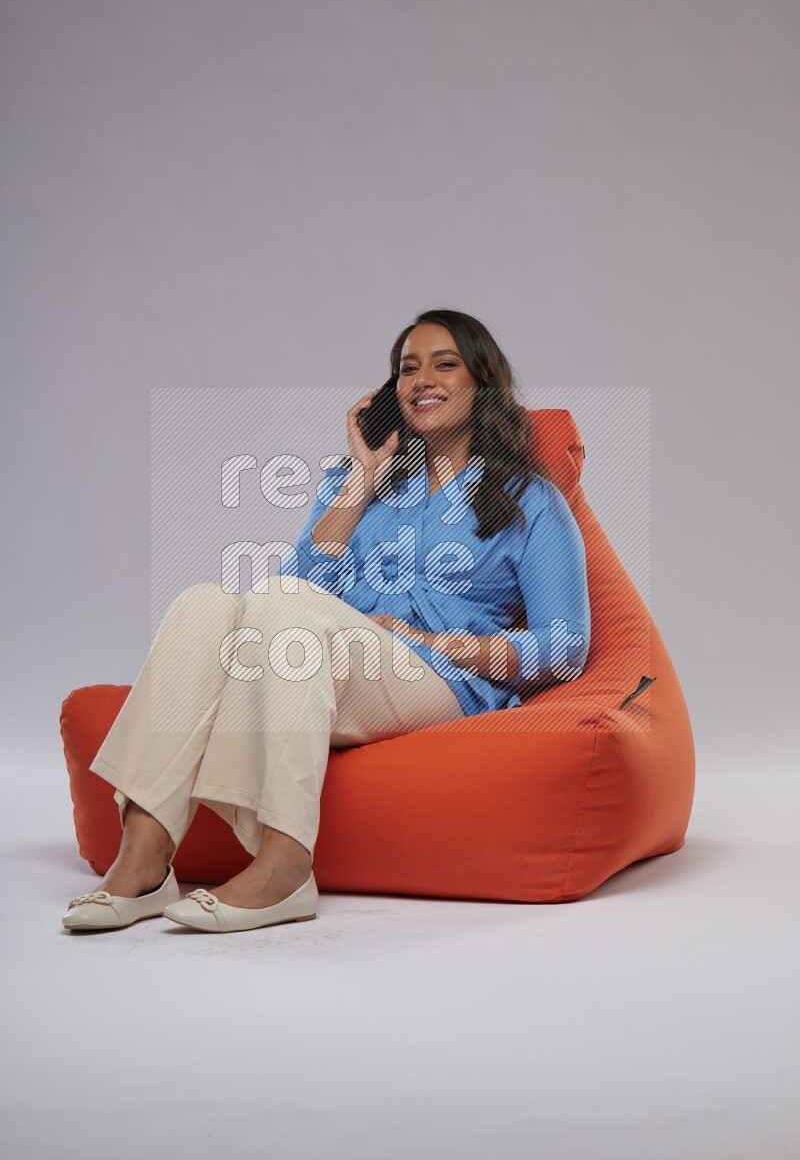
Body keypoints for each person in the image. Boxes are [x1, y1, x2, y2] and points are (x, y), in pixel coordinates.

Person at [62, 309, 591, 934]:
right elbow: (293, 595)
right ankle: (145, 856)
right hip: (328, 663)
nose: (422, 379)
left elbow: (564, 647)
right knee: (204, 603)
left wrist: (428, 640)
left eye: (445, 364)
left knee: (281, 610)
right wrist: (361, 482)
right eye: (407, 368)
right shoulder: (356, 485)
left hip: (441, 679)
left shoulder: (529, 498)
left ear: (484, 382)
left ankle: (285, 863)